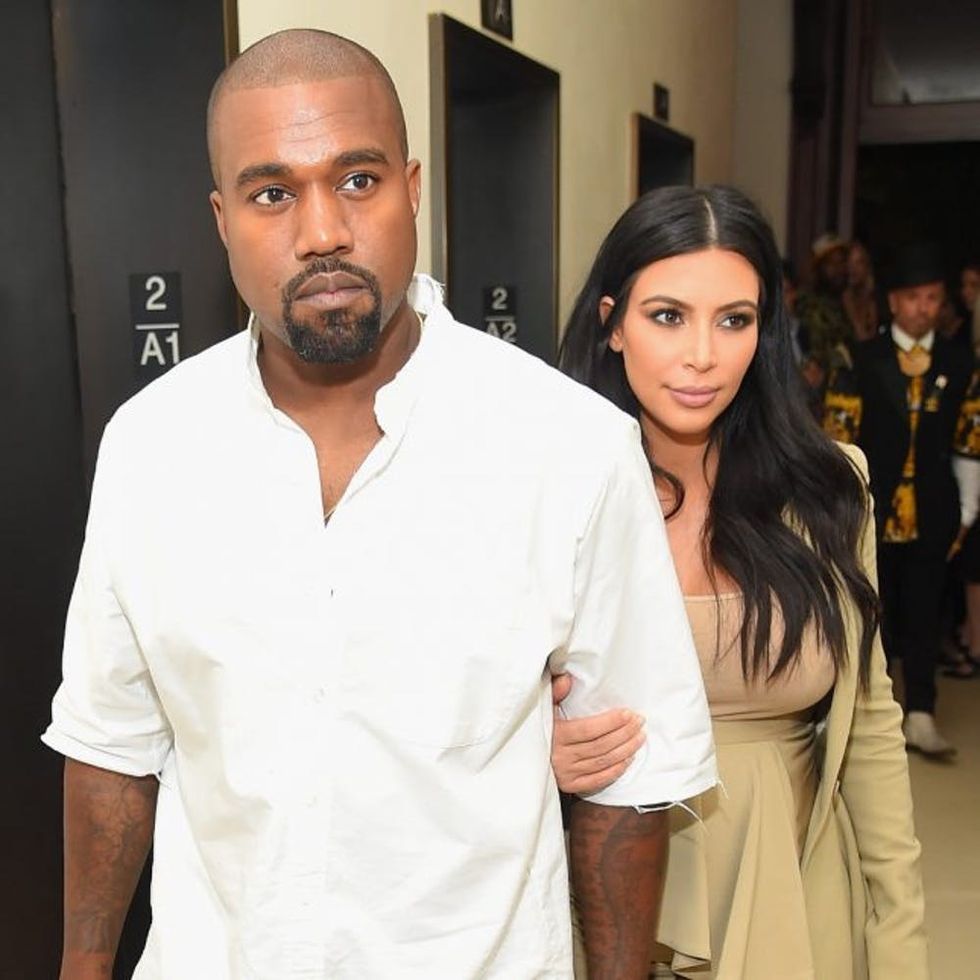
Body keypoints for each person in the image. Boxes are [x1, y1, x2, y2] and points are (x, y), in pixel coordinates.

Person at [42, 29, 716, 979]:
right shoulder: (152, 447)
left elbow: (631, 789)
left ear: (412, 187)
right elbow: (110, 745)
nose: (322, 231)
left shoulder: (566, 447)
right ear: (222, 218)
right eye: (272, 193)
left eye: (357, 180)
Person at [553, 185, 926, 978]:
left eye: (734, 320)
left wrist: (899, 938)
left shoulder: (829, 490)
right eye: (667, 316)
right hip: (599, 899)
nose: (703, 355)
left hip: (793, 896)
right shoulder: (547, 497)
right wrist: (532, 752)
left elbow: (869, 728)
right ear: (612, 323)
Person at [824, 243, 980, 754]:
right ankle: (871, 714)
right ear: (893, 302)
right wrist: (838, 508)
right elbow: (838, 440)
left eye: (932, 298)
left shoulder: (960, 362)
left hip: (934, 509)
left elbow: (969, 440)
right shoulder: (860, 358)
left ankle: (921, 714)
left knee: (926, 610)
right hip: (871, 508)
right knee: (873, 611)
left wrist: (968, 509)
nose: (922, 308)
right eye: (913, 298)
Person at [795, 232, 853, 375]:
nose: (838, 269)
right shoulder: (808, 305)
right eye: (831, 263)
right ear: (818, 268)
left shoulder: (847, 301)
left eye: (841, 262)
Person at [843, 240, 880, 343]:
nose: (853, 269)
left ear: (867, 266)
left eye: (858, 262)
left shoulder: (877, 297)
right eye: (849, 262)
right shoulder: (842, 298)